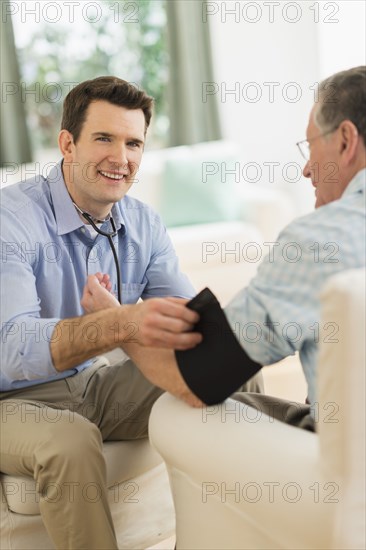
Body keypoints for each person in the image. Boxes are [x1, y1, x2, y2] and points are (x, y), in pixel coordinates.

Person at [0, 76, 262, 549]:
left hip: (90, 384)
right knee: (69, 440)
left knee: (232, 368)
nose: (121, 158)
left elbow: (191, 323)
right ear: (68, 143)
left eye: (134, 142)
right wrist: (119, 322)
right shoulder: (10, 219)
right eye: (104, 138)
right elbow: (13, 348)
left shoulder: (143, 222)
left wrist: (220, 335)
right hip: (9, 400)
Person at [85, 65, 366, 432]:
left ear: (345, 141)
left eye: (310, 146)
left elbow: (198, 381)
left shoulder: (318, 240)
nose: (307, 170)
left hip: (347, 467)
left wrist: (116, 321)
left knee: (179, 412)